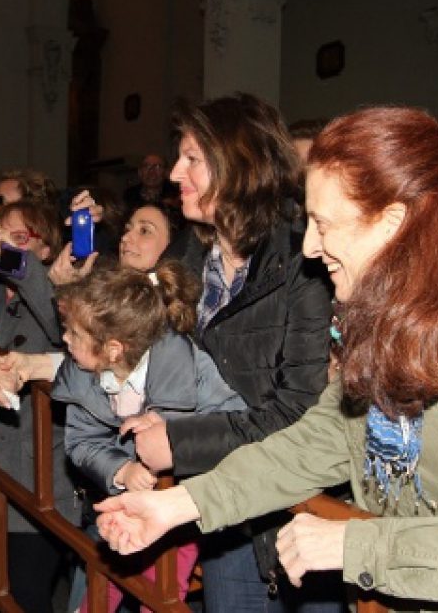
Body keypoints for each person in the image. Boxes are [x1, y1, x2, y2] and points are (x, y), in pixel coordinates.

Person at [96, 105, 438, 612]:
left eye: (323, 223)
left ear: (393, 224)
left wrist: (354, 543)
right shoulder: (384, 326)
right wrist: (177, 505)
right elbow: (320, 440)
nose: (310, 248)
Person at [118, 93, 336, 612]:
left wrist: (180, 439)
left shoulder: (302, 261)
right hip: (224, 505)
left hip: (299, 513)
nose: (174, 172)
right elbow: (155, 357)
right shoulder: (189, 261)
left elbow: (300, 413)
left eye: (192, 158)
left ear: (237, 164)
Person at [12, 261, 246, 612]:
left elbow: (230, 426)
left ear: (113, 348)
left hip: (198, 493)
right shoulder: (84, 375)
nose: (64, 340)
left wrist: (167, 433)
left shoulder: (183, 366)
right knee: (115, 551)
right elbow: (82, 441)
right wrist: (122, 470)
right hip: (139, 492)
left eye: (74, 334)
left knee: (162, 580)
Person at [0, 199, 75, 613]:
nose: (4, 245)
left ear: (45, 250)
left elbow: (62, 331)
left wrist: (15, 261)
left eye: (19, 238)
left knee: (25, 593)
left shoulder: (61, 298)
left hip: (34, 474)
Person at [49, 203, 178, 285]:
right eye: (127, 229)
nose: (125, 237)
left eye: (144, 231)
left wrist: (68, 292)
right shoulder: (106, 289)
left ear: (171, 245)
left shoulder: (170, 306)